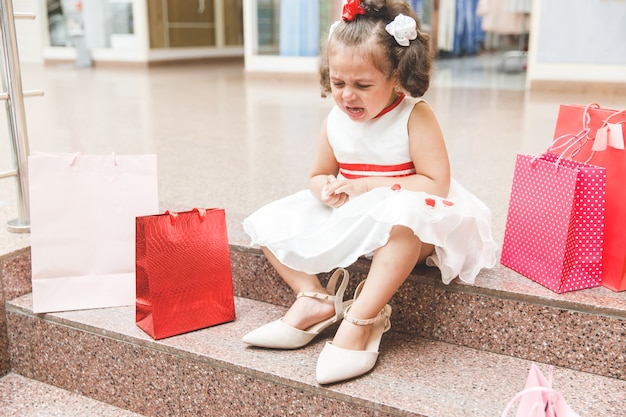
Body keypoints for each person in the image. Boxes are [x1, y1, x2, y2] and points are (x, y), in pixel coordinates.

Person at [242, 0, 497, 385]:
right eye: (338, 83)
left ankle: (363, 318)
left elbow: (435, 184)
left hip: (417, 218)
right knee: (267, 223)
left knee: (404, 223)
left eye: (363, 85)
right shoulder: (335, 119)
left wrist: (366, 185)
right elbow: (317, 174)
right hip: (356, 210)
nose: (347, 96)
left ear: (396, 76)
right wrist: (324, 189)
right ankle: (313, 299)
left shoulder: (414, 115)